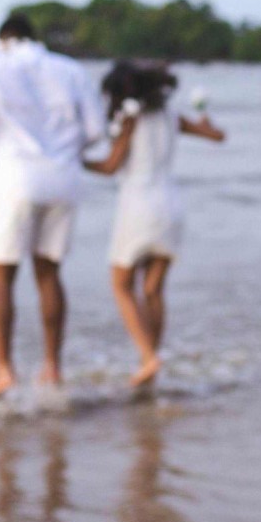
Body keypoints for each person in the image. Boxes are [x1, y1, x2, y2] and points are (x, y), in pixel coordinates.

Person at [0, 15, 105, 400]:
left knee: (1, 277)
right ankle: (52, 367)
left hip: (14, 179)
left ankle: (4, 370)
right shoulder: (69, 69)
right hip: (64, 180)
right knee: (49, 274)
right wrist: (65, 151)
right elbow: (97, 130)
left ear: (3, 40)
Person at [83, 61, 225, 387]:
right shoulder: (171, 117)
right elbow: (217, 136)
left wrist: (72, 159)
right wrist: (206, 121)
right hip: (171, 206)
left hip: (138, 207)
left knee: (121, 284)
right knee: (153, 290)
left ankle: (149, 357)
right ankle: (150, 361)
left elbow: (109, 165)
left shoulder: (130, 120)